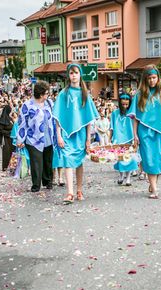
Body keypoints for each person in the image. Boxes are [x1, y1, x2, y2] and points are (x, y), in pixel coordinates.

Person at [127, 64, 161, 198]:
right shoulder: (139, 95)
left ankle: (153, 183)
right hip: (144, 133)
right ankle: (155, 188)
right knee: (149, 160)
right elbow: (135, 118)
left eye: (154, 77)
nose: (151, 80)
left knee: (159, 160)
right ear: (145, 79)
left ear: (158, 78)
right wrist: (135, 135)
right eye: (149, 78)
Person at [53, 63, 99, 203]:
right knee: (67, 160)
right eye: (71, 73)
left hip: (81, 134)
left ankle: (79, 190)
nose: (73, 75)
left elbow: (88, 119)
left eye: (76, 73)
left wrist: (88, 140)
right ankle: (70, 193)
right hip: (67, 134)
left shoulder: (85, 94)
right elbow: (58, 117)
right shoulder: (63, 94)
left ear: (80, 75)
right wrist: (59, 135)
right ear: (68, 75)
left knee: (79, 162)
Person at [17, 81, 55, 192]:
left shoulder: (49, 103)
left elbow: (54, 118)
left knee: (48, 161)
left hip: (48, 136)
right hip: (33, 138)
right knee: (36, 162)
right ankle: (36, 184)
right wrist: (20, 139)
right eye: (46, 93)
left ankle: (48, 181)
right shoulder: (27, 105)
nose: (48, 95)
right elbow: (22, 123)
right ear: (41, 94)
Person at [109, 93, 138, 186]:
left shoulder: (132, 113)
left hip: (129, 138)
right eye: (123, 104)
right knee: (120, 159)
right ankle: (121, 176)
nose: (125, 106)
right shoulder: (114, 113)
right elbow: (111, 127)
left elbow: (136, 126)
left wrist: (135, 137)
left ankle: (128, 178)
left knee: (129, 158)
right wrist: (110, 139)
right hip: (118, 139)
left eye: (127, 104)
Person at [0, 101, 14, 171]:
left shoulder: (10, 119)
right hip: (5, 139)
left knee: (12, 152)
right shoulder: (2, 120)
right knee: (6, 153)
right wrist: (9, 132)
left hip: (11, 139)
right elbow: (1, 130)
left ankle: (12, 166)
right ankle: (5, 166)